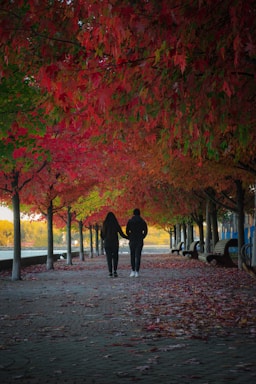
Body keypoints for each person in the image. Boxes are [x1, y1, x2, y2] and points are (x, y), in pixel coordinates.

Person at [101, 212, 128, 277]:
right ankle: (115, 271)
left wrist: (105, 238)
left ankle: (110, 272)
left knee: (109, 257)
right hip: (114, 243)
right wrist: (129, 237)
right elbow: (121, 234)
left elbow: (102, 235)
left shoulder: (104, 224)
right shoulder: (116, 224)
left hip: (107, 243)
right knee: (115, 257)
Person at [126, 208, 148, 277]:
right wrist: (142, 236)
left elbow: (127, 230)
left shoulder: (130, 221)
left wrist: (130, 236)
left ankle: (132, 270)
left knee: (132, 255)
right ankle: (137, 271)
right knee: (138, 255)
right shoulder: (142, 221)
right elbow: (145, 230)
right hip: (139, 239)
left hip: (132, 239)